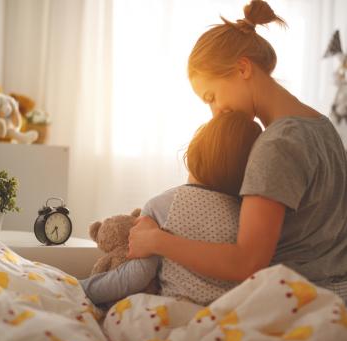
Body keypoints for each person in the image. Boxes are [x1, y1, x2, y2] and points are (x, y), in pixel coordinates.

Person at [127, 0, 347, 305]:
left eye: (212, 96)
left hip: (293, 301)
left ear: (243, 68)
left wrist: (156, 240)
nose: (215, 112)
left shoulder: (276, 146)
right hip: (335, 295)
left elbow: (246, 262)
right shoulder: (322, 127)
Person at [80, 111, 261, 307]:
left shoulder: (161, 206)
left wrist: (81, 288)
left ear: (194, 151)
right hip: (228, 315)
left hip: (176, 311)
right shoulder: (248, 213)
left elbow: (135, 277)